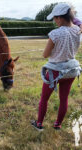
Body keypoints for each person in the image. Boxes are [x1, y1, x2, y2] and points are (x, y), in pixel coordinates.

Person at [31, 3, 81, 131]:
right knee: (64, 99)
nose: (54, 21)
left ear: (59, 17)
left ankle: (39, 123)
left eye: (54, 18)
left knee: (44, 98)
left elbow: (45, 54)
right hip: (71, 70)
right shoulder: (78, 30)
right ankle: (58, 124)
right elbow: (75, 22)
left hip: (55, 71)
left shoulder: (55, 33)